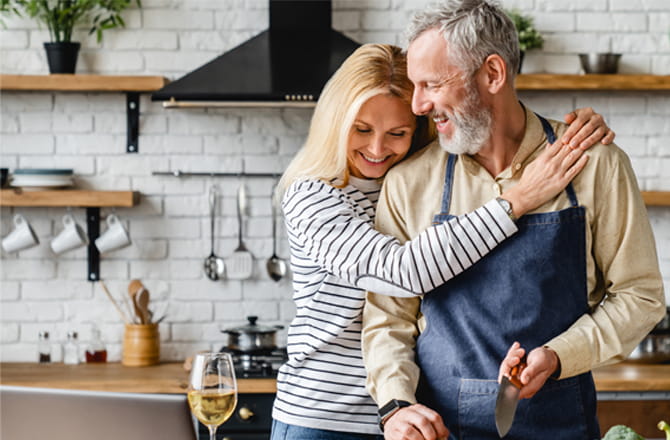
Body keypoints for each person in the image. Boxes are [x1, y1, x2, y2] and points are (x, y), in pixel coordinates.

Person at [270, 41, 616, 440]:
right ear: (334, 121)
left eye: (397, 133)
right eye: (361, 130)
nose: (378, 148)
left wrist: (573, 129)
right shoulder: (313, 196)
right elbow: (402, 274)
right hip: (327, 417)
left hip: (411, 419)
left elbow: (492, 119)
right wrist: (519, 199)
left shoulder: (407, 179)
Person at [361, 2, 666, 440]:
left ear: (492, 74)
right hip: (440, 431)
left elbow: (640, 296)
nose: (418, 104)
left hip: (562, 424)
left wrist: (561, 354)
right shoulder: (411, 180)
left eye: (430, 84)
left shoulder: (596, 165)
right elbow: (389, 317)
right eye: (414, 86)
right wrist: (397, 406)